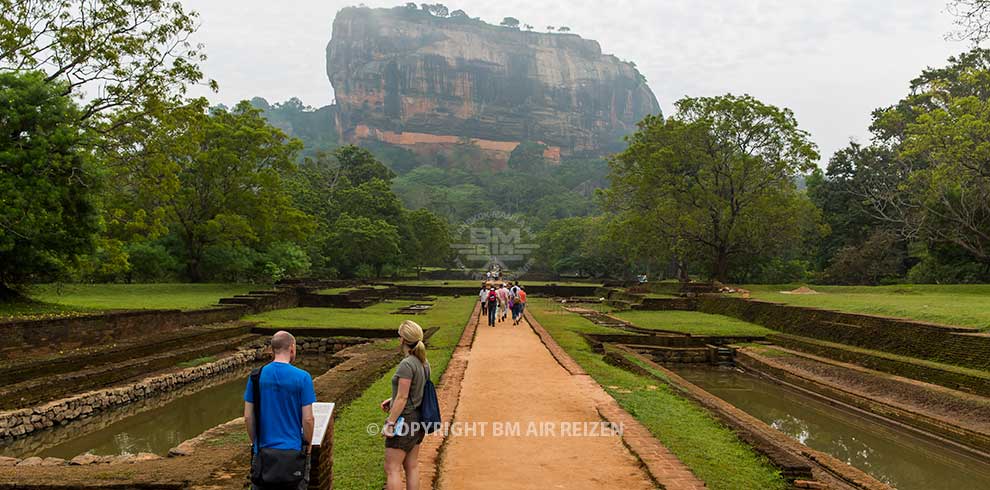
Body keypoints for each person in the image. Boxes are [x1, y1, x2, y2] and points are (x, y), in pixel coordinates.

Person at [244, 331, 316, 490]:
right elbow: (308, 419)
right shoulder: (302, 377)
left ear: (272, 349)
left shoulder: (256, 376)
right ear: (292, 348)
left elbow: (248, 417)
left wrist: (255, 441)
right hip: (293, 452)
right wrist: (308, 444)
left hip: (262, 452)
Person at [381, 321, 429, 490]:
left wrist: (390, 423)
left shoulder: (407, 364)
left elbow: (402, 397)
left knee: (392, 468)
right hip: (418, 418)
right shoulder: (423, 362)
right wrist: (392, 399)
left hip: (405, 420)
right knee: (411, 466)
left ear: (402, 339)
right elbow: (413, 390)